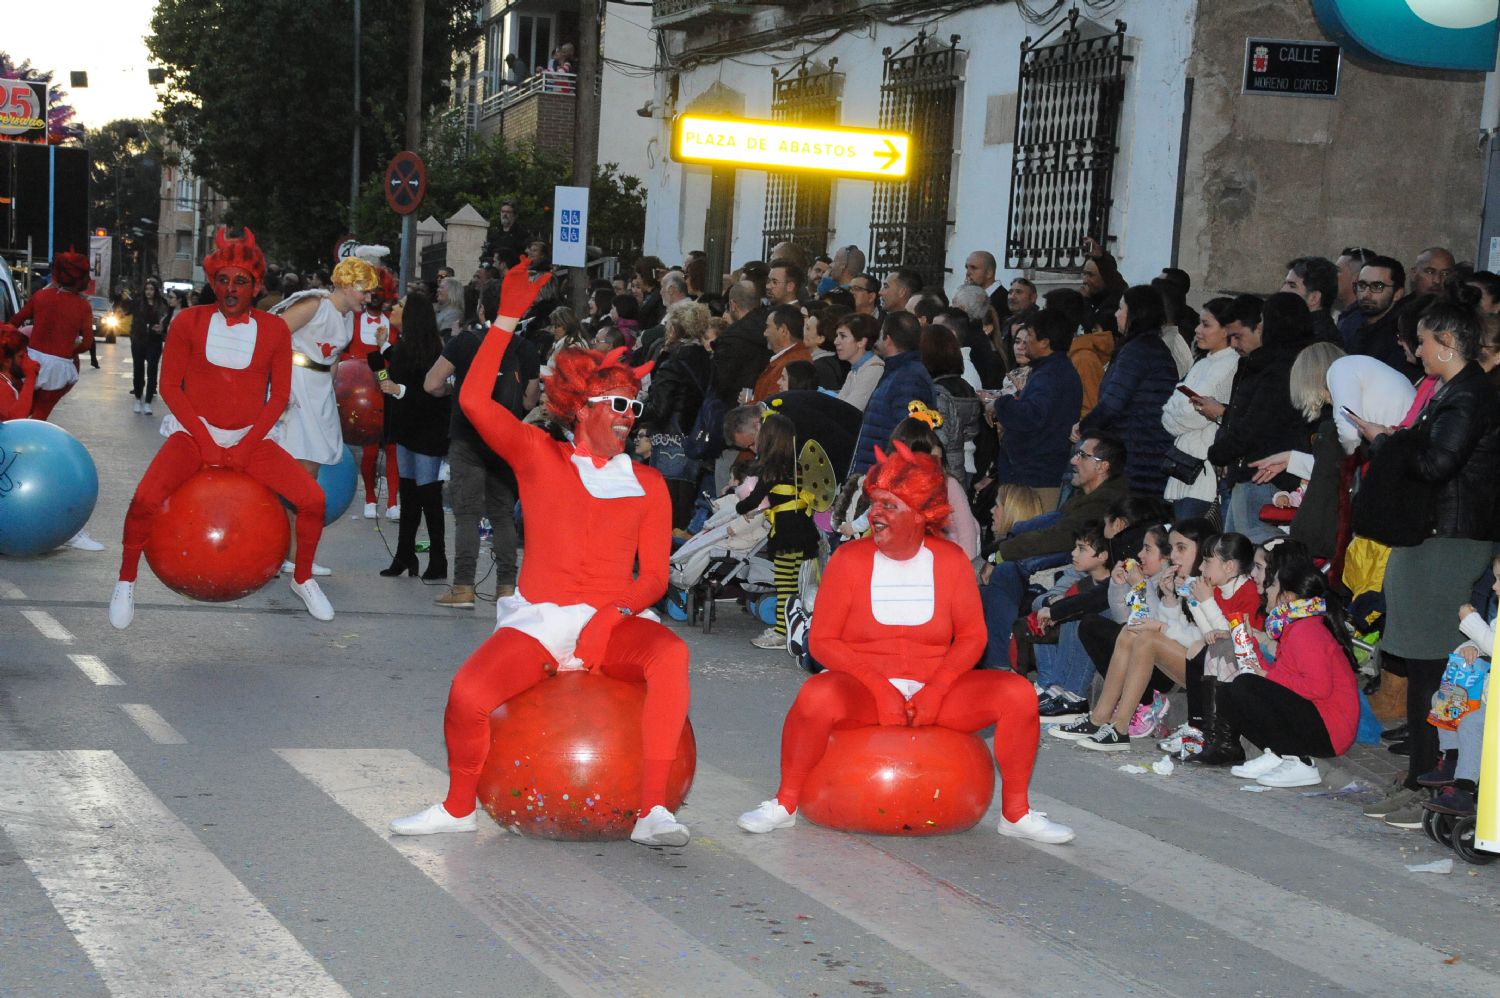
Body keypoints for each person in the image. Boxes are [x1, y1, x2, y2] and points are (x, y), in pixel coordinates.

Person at [390, 259, 693, 848]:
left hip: (613, 624)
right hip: (540, 621)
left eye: (635, 406)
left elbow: (654, 575)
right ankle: (458, 809)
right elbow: (475, 401)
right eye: (619, 406)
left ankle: (653, 810)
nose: (631, 418)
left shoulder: (649, 485)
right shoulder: (539, 456)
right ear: (581, 408)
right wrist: (504, 318)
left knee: (671, 657)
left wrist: (607, 620)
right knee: (468, 695)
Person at [735, 443, 1074, 844]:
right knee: (815, 696)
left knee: (1018, 694)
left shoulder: (950, 561)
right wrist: (878, 688)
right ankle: (785, 802)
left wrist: (938, 689)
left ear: (921, 514)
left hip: (938, 692)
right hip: (862, 690)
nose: (876, 514)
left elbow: (972, 637)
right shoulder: (849, 560)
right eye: (875, 503)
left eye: (890, 507)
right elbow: (822, 640)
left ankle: (1016, 813)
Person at [108, 228, 331, 628]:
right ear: (212, 283)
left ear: (255, 286)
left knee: (313, 499)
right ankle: (126, 579)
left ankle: (303, 577)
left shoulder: (275, 330)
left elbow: (278, 396)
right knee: (144, 499)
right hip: (193, 435)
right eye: (223, 280)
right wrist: (203, 438)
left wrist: (248, 444)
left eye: (241, 281)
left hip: (252, 439)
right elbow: (169, 387)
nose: (231, 289)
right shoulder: (189, 322)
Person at [1348, 288, 1500, 827]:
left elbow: (1438, 464)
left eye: (1424, 341)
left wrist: (1388, 442)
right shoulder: (1452, 390)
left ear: (1449, 342)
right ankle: (1425, 772)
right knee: (1419, 658)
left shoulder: (1468, 395)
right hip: (1433, 534)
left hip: (1449, 538)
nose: (1417, 350)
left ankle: (1427, 781)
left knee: (1430, 660)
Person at [424, 279, 540, 608]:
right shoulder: (526, 348)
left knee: (467, 515)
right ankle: (506, 587)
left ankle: (463, 587)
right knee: (502, 515)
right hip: (505, 441)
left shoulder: (464, 342)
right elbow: (531, 400)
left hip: (467, 437)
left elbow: (432, 383)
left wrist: (453, 391)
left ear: (481, 309)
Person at [977, 434, 1131, 669]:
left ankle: (1001, 666)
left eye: (1082, 455)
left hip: (1081, 574)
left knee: (1005, 572)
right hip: (1064, 564)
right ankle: (993, 663)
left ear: (1102, 466)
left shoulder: (1105, 503)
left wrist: (1000, 554)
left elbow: (1059, 538)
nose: (1074, 460)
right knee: (984, 592)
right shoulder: (1088, 497)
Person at [271, 255, 380, 575]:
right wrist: (280, 388)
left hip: (318, 390)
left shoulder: (347, 315)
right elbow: (272, 335)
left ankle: (293, 555)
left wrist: (329, 392)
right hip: (296, 386)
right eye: (364, 290)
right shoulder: (315, 305)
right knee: (296, 476)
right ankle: (284, 553)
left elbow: (331, 358)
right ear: (347, 286)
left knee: (309, 476)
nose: (368, 298)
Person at [1223, 563, 1360, 788]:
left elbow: (1318, 688)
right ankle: (1278, 753)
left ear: (1286, 597)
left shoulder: (1306, 631)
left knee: (1244, 686)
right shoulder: (1295, 628)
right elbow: (1275, 676)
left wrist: (1266, 676)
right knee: (1230, 692)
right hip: (1315, 718)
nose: (1266, 590)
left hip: (1330, 730)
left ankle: (1301, 762)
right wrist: (1248, 642)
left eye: (1272, 585)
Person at [1200, 293, 1315, 543]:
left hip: (1264, 476)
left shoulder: (1278, 370)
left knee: (1252, 551)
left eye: (1264, 321)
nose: (1262, 327)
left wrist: (1219, 452)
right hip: (1258, 473)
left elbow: (1255, 426)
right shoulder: (1270, 365)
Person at [375, 292, 451, 580]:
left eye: (401, 305)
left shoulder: (432, 348)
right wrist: (382, 348)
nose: (394, 308)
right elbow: (393, 372)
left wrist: (399, 390)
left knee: (428, 495)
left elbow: (431, 390)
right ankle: (404, 554)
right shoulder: (404, 344)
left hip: (427, 431)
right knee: (408, 493)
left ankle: (438, 558)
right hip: (406, 428)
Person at [1076, 285, 1178, 497]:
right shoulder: (1148, 347)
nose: (1116, 314)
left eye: (1121, 308)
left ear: (1135, 313)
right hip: (1144, 450)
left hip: (1138, 454)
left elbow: (1112, 404)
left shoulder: (1138, 351)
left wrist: (1084, 428)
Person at [736, 412, 819, 650]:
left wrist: (739, 506)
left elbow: (753, 500)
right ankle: (793, 627)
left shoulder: (770, 469)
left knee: (784, 585)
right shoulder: (798, 467)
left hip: (785, 532)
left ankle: (783, 632)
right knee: (794, 583)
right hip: (803, 529)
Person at [988, 309, 1083, 511]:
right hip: (1036, 474)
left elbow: (1030, 415)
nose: (1024, 344)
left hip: (1037, 479)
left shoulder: (1050, 375)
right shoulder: (1051, 370)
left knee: (1025, 535)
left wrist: (999, 404)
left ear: (1044, 342)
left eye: (1029, 336)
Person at [1161, 297, 1240, 521]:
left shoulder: (1230, 364)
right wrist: (1181, 410)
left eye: (1206, 324)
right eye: (1199, 323)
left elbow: (1192, 415)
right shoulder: (1203, 362)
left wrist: (1180, 410)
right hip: (1183, 466)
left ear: (1226, 330)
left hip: (1202, 473)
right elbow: (1169, 411)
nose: (1197, 330)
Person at [637, 300, 713, 527]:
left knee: (665, 509)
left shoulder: (673, 364)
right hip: (697, 439)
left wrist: (634, 411)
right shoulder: (708, 360)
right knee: (684, 506)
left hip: (670, 440)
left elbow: (660, 409)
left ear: (675, 330)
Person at [345, 269, 401, 521]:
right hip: (359, 394)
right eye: (372, 290)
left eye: (380, 290)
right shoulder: (353, 320)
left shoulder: (394, 322)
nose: (376, 296)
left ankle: (392, 501)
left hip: (386, 390)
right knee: (368, 450)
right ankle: (369, 497)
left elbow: (398, 358)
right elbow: (342, 354)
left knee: (392, 448)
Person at [848, 312, 935, 476]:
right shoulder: (897, 372)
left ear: (888, 339)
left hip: (886, 479)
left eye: (881, 334)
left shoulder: (909, 378)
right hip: (876, 475)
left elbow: (908, 439)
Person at [14, 249, 94, 421]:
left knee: (20, 408)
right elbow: (87, 344)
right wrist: (71, 350)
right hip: (59, 366)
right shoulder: (83, 307)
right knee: (41, 413)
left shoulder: (40, 296)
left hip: (31, 361)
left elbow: (14, 322)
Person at [754, 304, 813, 401]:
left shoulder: (792, 364)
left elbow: (771, 405)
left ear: (783, 330)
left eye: (768, 327)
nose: (765, 333)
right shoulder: (788, 359)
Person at [130, 278, 169, 416]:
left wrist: (162, 328)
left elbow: (167, 320)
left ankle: (148, 403)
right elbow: (127, 311)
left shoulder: (162, 305)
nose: (149, 292)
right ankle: (138, 399)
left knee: (152, 371)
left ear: (156, 291)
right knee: (138, 370)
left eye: (151, 289)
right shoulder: (138, 303)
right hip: (139, 340)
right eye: (147, 289)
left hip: (154, 341)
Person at [1284, 256, 1341, 344]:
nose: (1283, 290)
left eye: (1292, 286)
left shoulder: (1320, 341)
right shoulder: (1301, 330)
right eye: (1285, 284)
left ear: (1314, 298)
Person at [832, 313, 883, 411]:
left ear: (861, 342)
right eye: (837, 336)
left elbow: (850, 410)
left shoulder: (873, 370)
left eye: (843, 336)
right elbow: (838, 405)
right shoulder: (855, 370)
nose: (836, 341)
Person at [0, 324, 41, 421]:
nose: (28, 361)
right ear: (6, 361)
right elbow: (15, 421)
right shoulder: (2, 387)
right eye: (22, 356)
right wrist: (30, 378)